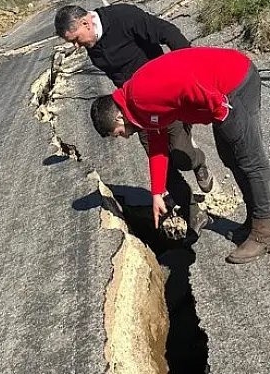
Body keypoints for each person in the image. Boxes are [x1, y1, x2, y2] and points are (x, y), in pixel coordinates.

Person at [89, 47, 270, 264]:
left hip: (235, 83)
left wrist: (219, 109)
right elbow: (157, 144)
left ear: (119, 119)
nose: (123, 138)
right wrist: (157, 192)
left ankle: (264, 233)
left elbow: (186, 83)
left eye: (118, 134)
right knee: (230, 157)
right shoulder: (136, 106)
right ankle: (253, 220)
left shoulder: (141, 96)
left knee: (248, 158)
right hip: (223, 89)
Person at [54, 4, 213, 234]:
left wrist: (191, 67)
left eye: (76, 39)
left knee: (181, 156)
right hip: (134, 110)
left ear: (86, 23)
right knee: (159, 163)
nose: (77, 47)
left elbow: (167, 31)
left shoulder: (123, 17)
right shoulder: (92, 45)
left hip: (166, 98)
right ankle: (193, 212)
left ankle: (198, 162)